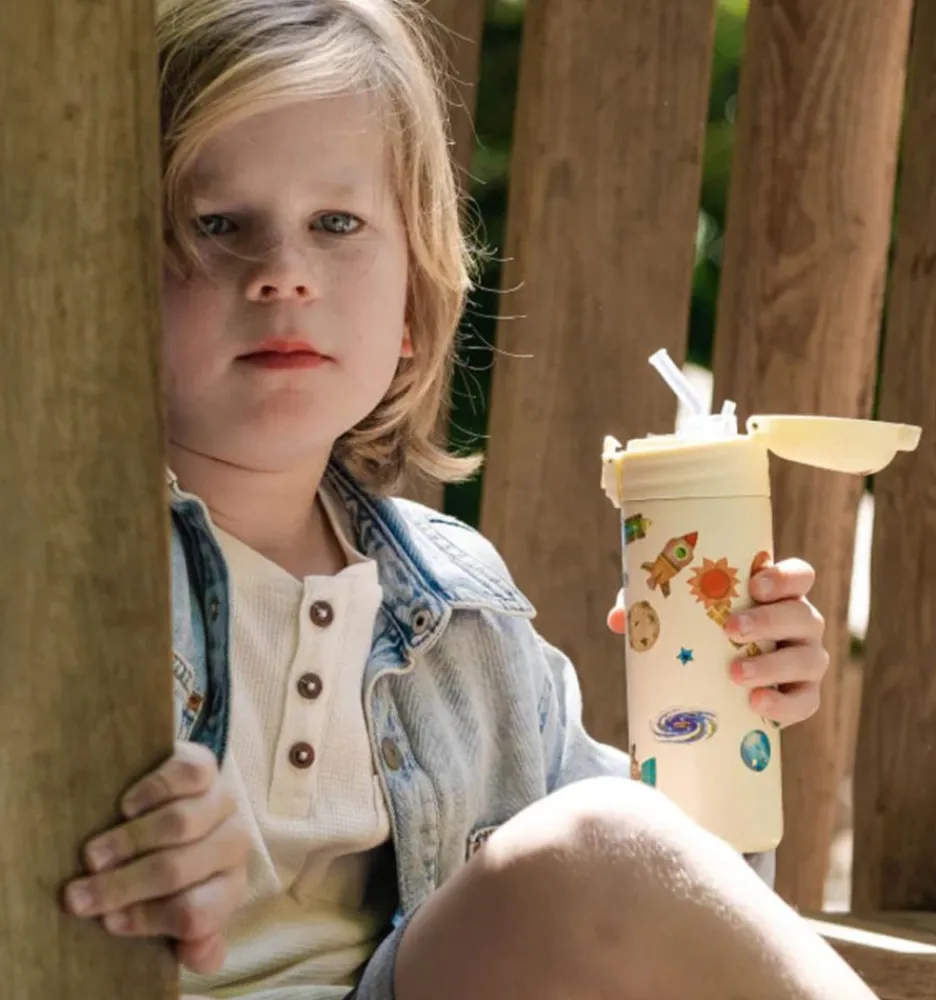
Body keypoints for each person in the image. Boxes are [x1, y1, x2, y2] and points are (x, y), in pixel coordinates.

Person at [62, 1, 872, 997]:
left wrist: (727, 722)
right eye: (218, 224)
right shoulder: (57, 582)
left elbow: (639, 905)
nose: (281, 274)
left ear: (413, 300)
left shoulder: (460, 610)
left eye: (336, 224)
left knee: (607, 839)